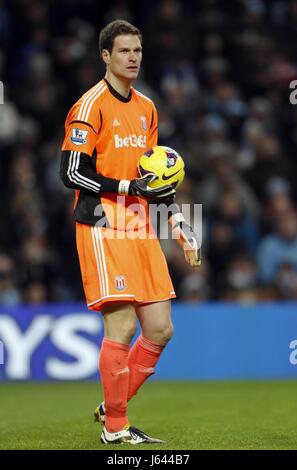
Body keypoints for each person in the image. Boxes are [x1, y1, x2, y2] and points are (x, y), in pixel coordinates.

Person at [60, 19, 200, 445]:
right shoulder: (89, 107)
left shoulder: (148, 109)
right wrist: (124, 187)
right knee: (120, 328)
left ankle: (111, 405)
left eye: (137, 50)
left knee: (159, 330)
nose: (133, 58)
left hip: (140, 225)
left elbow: (154, 181)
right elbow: (70, 172)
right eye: (124, 51)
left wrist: (178, 225)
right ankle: (116, 428)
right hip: (102, 222)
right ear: (105, 56)